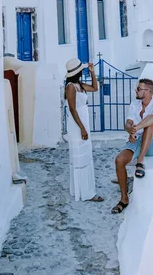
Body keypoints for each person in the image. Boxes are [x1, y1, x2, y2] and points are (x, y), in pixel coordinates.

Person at [111, 78, 153, 214]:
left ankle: (140, 161)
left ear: (148, 91)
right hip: (138, 139)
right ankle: (124, 199)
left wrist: (137, 127)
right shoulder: (134, 104)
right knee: (119, 160)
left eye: (139, 89)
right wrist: (130, 130)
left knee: (149, 126)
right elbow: (128, 123)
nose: (136, 90)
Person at [65, 57, 103, 202]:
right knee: (80, 156)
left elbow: (95, 88)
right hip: (77, 126)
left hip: (82, 124)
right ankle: (85, 193)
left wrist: (92, 72)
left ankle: (83, 190)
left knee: (85, 156)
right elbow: (73, 109)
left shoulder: (78, 85)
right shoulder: (70, 87)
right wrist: (82, 128)